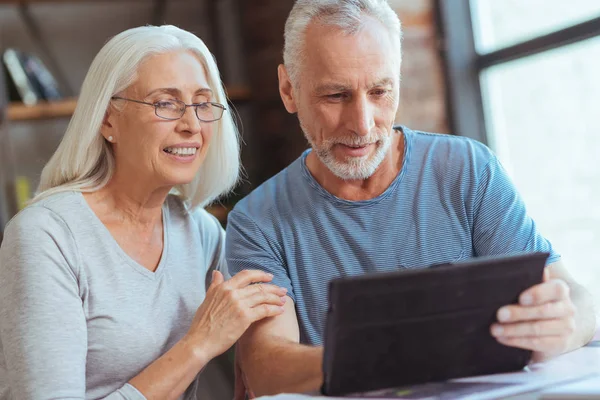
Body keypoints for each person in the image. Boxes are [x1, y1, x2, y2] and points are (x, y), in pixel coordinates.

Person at [225, 0, 597, 397]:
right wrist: (414, 353)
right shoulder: (258, 220)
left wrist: (561, 326)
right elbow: (266, 366)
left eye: (380, 91)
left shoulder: (467, 169)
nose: (363, 125)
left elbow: (581, 302)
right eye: (336, 95)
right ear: (288, 90)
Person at [0, 25, 288, 399]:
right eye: (165, 103)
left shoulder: (200, 232)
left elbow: (276, 325)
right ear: (108, 120)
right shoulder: (45, 236)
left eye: (202, 103)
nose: (191, 125)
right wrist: (199, 343)